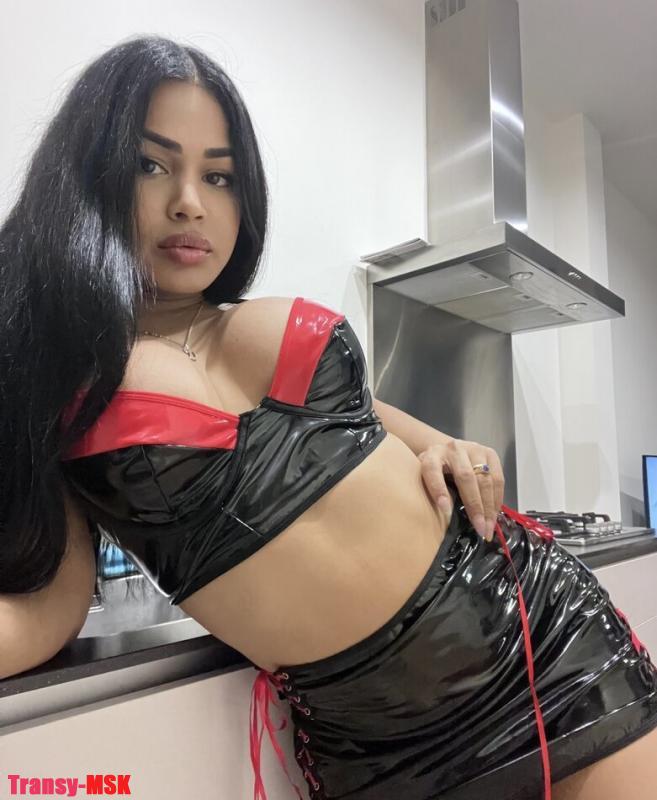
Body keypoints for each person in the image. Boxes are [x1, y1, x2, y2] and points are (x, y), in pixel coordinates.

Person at [1, 34, 656, 800]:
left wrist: (451, 447)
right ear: (89, 172)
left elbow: (369, 424)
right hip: (382, 744)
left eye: (219, 175)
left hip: (548, 637)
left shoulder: (236, 321)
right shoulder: (57, 382)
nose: (190, 201)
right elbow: (50, 607)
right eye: (152, 165)